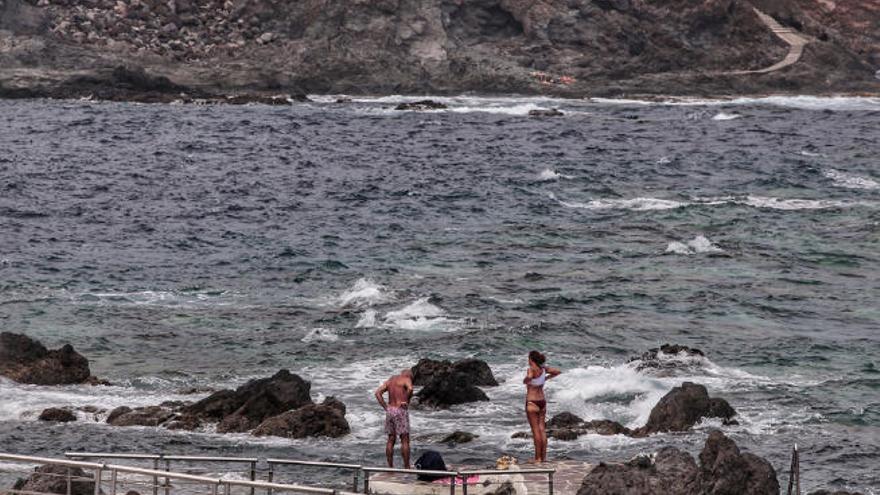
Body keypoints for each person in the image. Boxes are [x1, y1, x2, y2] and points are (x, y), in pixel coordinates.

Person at [523, 350, 561, 463]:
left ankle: (537, 459)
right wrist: (545, 378)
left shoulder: (531, 369)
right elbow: (558, 371)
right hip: (542, 402)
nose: (528, 360)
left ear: (531, 359)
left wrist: (526, 380)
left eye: (528, 358)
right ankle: (543, 458)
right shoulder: (544, 369)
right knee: (542, 430)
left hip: (532, 402)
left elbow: (529, 378)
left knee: (535, 431)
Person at [375, 369, 414, 468]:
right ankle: (406, 467)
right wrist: (406, 400)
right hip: (400, 410)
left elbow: (377, 393)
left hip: (390, 410)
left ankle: (390, 467)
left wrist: (385, 406)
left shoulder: (391, 380)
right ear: (408, 375)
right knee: (405, 438)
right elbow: (410, 389)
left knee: (391, 439)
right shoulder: (406, 378)